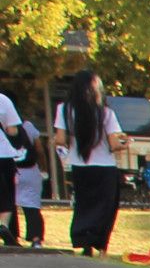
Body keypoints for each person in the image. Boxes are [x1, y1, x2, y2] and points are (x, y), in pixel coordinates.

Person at [53, 71, 128, 257]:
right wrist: (125, 143)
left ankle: (84, 242)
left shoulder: (64, 109)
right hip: (104, 167)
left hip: (80, 166)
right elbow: (114, 144)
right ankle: (102, 247)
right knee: (105, 208)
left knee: (84, 204)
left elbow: (60, 139)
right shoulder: (105, 113)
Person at [6, 104, 44, 248]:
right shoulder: (28, 126)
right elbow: (39, 149)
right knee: (32, 205)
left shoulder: (3, 128)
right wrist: (43, 167)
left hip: (10, 170)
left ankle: (11, 236)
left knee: (8, 205)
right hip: (30, 170)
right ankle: (36, 238)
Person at [0, 89, 24, 247]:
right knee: (6, 195)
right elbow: (12, 130)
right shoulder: (3, 99)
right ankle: (3, 225)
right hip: (2, 154)